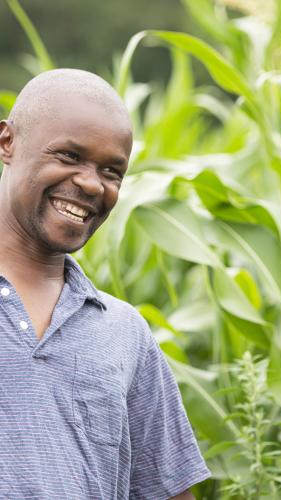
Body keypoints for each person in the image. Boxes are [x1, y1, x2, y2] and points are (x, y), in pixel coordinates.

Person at [0, 69, 211, 499]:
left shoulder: (123, 332)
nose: (91, 183)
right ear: (7, 142)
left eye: (112, 171)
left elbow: (168, 490)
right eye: (69, 156)